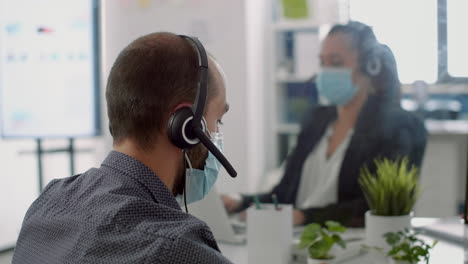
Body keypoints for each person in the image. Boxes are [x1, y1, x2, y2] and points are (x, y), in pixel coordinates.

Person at [13, 33, 236, 263]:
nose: (217, 133)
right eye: (218, 121)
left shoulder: (47, 203)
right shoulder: (180, 250)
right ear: (187, 127)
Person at [223, 21, 427, 227]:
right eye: (323, 62)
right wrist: (241, 201)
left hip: (347, 245)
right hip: (292, 238)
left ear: (369, 67)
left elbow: (376, 206)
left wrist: (305, 217)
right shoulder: (316, 119)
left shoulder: (400, 127)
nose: (326, 71)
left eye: (336, 63)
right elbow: (284, 194)